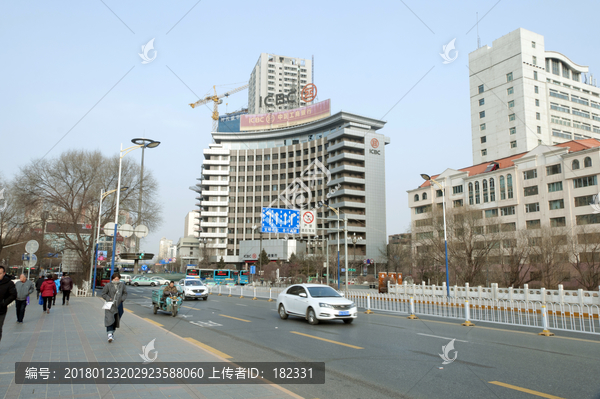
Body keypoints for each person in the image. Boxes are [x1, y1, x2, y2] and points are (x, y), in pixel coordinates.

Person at [101, 272, 127, 343]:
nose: (116, 281)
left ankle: (111, 332)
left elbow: (125, 293)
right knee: (109, 319)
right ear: (112, 279)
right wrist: (108, 298)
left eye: (117, 279)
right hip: (110, 305)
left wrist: (122, 299)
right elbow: (103, 294)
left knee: (116, 319)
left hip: (118, 305)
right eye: (115, 279)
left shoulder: (122, 285)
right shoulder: (108, 285)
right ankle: (109, 335)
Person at [0, 266, 17, 344]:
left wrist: (4, 303)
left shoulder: (9, 283)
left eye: (0, 273)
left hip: (1, 310)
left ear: (4, 273)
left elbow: (13, 295)